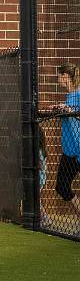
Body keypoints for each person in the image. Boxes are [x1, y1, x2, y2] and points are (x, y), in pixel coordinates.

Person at [54, 63, 80, 215]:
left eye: (58, 76)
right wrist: (61, 108)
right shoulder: (69, 96)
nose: (58, 79)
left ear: (65, 77)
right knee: (62, 186)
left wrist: (70, 111)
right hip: (69, 149)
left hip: (79, 147)